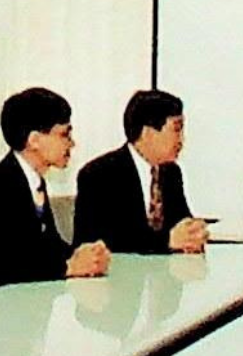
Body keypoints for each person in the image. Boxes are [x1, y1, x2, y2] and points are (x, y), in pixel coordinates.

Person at [0, 88, 110, 303]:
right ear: (34, 140)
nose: (72, 143)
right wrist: (69, 267)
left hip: (22, 303)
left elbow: (47, 245)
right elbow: (8, 263)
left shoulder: (35, 181)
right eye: (64, 135)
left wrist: (83, 254)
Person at [73, 89, 208, 255]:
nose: (181, 140)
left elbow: (180, 222)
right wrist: (167, 241)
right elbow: (104, 240)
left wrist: (193, 233)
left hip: (165, 269)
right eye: (176, 130)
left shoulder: (171, 172)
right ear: (148, 133)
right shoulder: (99, 174)